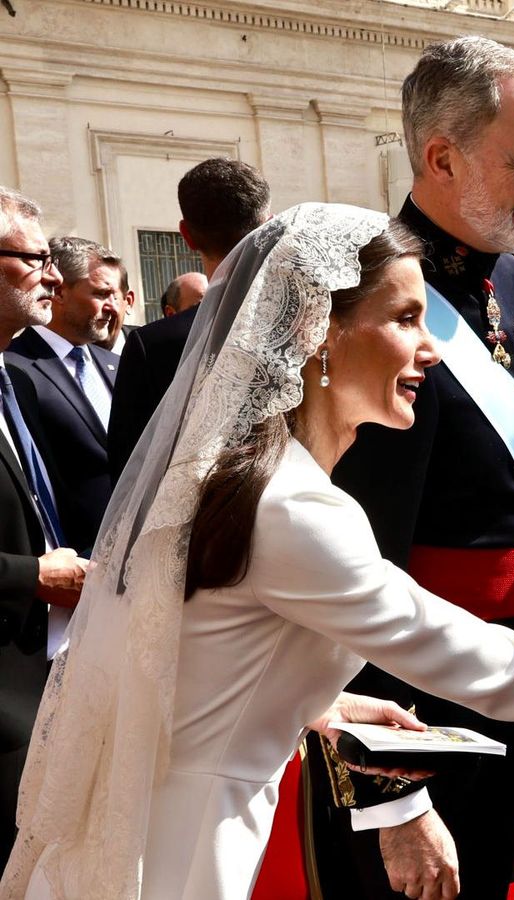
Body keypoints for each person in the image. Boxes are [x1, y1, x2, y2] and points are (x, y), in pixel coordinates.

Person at [0, 203, 514, 900]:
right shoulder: (293, 508)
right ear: (318, 335)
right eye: (404, 319)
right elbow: (499, 668)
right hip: (184, 855)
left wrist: (322, 704)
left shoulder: (257, 478)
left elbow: (192, 652)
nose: (433, 351)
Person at [311, 38, 514, 900]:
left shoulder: (512, 277)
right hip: (408, 709)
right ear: (441, 157)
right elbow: (340, 574)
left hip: (510, 671)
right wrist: (391, 797)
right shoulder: (363, 296)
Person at [0, 187, 90, 863]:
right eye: (34, 258)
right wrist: (34, 574)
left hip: (43, 687)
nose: (55, 276)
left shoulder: (14, 379)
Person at [107, 157, 271, 483]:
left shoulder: (151, 346)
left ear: (186, 235)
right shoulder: (313, 325)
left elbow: (129, 471)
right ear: (270, 224)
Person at [6, 237, 120, 554]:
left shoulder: (118, 365)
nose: (113, 306)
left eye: (115, 294)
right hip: (69, 566)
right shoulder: (15, 369)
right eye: (100, 293)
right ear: (59, 292)